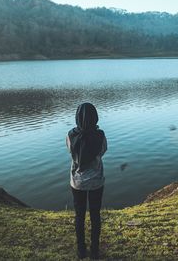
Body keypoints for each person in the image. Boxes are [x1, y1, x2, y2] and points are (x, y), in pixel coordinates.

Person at [66, 102, 107, 260]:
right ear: (95, 117)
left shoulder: (71, 135)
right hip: (96, 181)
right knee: (95, 215)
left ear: (77, 116)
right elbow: (102, 151)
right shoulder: (100, 135)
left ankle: (81, 250)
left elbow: (70, 151)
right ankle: (95, 251)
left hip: (77, 182)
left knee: (79, 215)